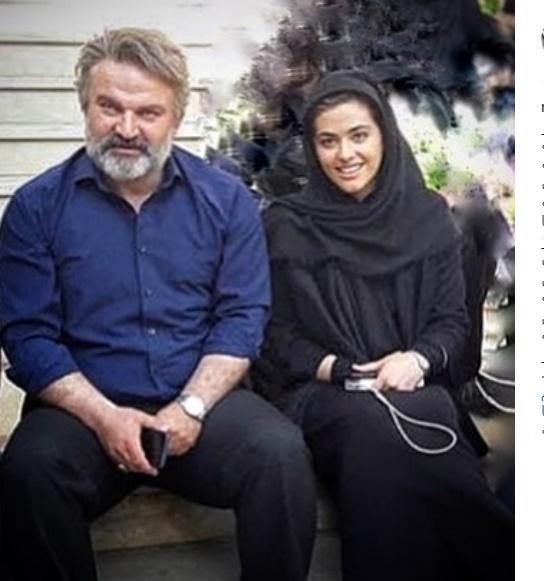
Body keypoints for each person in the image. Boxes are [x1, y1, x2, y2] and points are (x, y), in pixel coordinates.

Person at [0, 28, 316, 581]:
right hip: (83, 410)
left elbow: (242, 317)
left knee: (280, 454)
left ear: (177, 116)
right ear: (85, 106)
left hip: (200, 403)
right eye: (110, 107)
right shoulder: (36, 207)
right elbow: (27, 337)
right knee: (28, 472)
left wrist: (190, 407)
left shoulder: (228, 202)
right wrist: (105, 417)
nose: (127, 129)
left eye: (148, 112)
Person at [252, 71, 514, 581]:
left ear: (385, 136)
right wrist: (336, 368)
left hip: (411, 385)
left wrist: (416, 360)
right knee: (372, 428)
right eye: (328, 141)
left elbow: (450, 322)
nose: (344, 154)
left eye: (359, 136)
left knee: (430, 414)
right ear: (313, 149)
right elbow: (272, 335)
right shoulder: (285, 226)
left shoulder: (430, 218)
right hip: (323, 392)